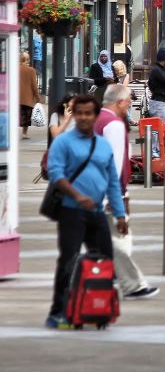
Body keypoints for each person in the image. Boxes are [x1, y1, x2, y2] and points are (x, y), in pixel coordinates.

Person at [45, 94, 127, 328]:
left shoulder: (102, 145)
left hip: (97, 212)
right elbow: (56, 174)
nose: (82, 117)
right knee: (68, 261)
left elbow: (112, 180)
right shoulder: (63, 142)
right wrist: (78, 196)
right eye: (78, 112)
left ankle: (99, 307)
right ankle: (58, 311)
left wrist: (120, 214)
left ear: (95, 115)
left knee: (106, 260)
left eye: (88, 113)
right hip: (71, 212)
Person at [97, 84, 159, 299]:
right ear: (120, 102)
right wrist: (117, 197)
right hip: (109, 192)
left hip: (93, 190)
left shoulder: (96, 120)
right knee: (120, 241)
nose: (129, 107)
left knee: (107, 240)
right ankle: (132, 285)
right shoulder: (113, 125)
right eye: (128, 103)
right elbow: (114, 163)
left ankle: (107, 276)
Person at [19, 52, 40, 140]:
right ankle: (24, 133)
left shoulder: (16, 69)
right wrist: (38, 97)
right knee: (27, 116)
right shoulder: (31, 70)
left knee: (20, 115)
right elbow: (34, 86)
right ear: (28, 60)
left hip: (17, 97)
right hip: (28, 99)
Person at [147, 49, 165, 121]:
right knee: (160, 126)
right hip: (159, 103)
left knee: (159, 127)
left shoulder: (158, 69)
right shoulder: (157, 70)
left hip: (159, 102)